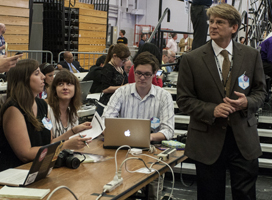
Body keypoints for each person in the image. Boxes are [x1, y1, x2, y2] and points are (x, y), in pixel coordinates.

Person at [177, 4, 266, 200]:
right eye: (211, 22)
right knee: (209, 195)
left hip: (242, 139)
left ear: (234, 28)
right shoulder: (191, 59)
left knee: (245, 195)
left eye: (220, 22)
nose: (213, 26)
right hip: (207, 139)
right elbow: (183, 100)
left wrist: (247, 102)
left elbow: (261, 92)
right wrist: (212, 109)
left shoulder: (252, 56)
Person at [103, 52, 174, 200]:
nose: (142, 78)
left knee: (152, 193)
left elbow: (168, 130)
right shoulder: (122, 92)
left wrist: (146, 137)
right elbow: (106, 120)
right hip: (121, 150)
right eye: (139, 73)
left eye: (147, 74)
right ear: (133, 72)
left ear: (154, 74)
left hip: (151, 151)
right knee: (122, 191)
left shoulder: (163, 96)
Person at [0, 59, 92, 171]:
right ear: (24, 79)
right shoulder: (14, 109)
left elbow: (50, 142)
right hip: (17, 173)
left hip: (40, 169)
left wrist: (72, 131)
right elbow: (25, 154)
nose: (43, 77)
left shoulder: (42, 105)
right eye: (37, 73)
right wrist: (65, 145)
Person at [48, 69, 91, 138]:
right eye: (60, 84)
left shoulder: (73, 112)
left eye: (69, 84)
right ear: (55, 89)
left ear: (75, 89)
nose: (65, 87)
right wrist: (73, 131)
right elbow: (49, 144)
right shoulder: (48, 112)